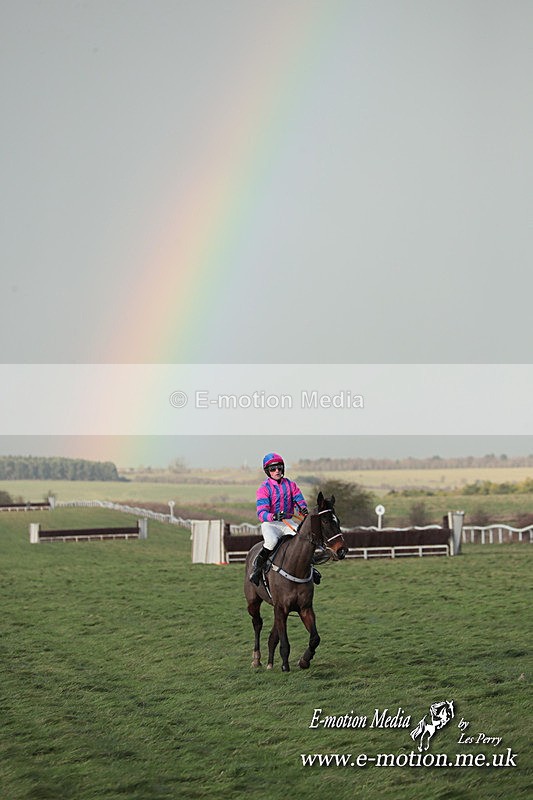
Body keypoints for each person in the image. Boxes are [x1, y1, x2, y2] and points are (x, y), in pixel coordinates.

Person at [250, 453, 320, 585]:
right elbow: (261, 513)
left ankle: (312, 569)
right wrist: (273, 516)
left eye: (279, 468)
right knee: (271, 542)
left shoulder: (291, 485)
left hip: (288, 523)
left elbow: (299, 500)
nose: (277, 471)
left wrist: (303, 508)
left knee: (304, 540)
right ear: (267, 471)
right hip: (271, 524)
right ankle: (257, 570)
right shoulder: (263, 489)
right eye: (273, 469)